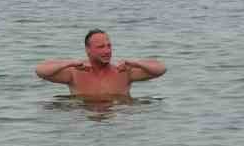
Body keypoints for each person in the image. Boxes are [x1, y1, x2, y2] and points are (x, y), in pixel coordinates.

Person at [35, 29, 165, 98]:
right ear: (88, 50)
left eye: (109, 46)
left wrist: (135, 62)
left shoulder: (123, 72)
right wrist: (69, 63)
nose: (107, 51)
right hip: (87, 117)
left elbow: (160, 69)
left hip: (115, 117)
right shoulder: (75, 73)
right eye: (101, 47)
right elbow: (40, 70)